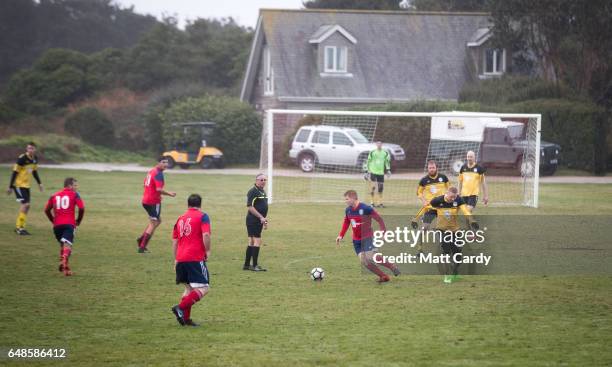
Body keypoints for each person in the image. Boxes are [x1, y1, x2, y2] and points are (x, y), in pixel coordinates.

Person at [412, 187, 478, 284]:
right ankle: (447, 275)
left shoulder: (459, 200)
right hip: (441, 230)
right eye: (451, 197)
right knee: (445, 253)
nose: (453, 199)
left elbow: (465, 211)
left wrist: (472, 221)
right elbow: (426, 207)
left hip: (455, 230)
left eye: (454, 197)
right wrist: (415, 219)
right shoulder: (437, 201)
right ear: (446, 193)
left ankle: (454, 272)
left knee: (458, 255)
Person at [336, 190, 400, 283]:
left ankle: (392, 266)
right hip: (356, 241)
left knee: (371, 257)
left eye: (347, 199)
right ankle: (384, 276)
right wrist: (341, 235)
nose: (345, 201)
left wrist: (383, 232)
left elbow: (379, 219)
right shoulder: (348, 210)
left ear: (353, 198)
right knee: (364, 262)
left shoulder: (366, 208)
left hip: (367, 238)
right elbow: (346, 222)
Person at [171, 194, 211, 327]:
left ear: (188, 204)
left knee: (188, 289)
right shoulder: (202, 216)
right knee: (203, 288)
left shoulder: (180, 218)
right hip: (194, 257)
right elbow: (205, 234)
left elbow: (175, 241)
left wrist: (175, 259)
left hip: (181, 258)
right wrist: (208, 250)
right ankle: (180, 308)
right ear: (200, 204)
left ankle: (186, 319)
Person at [44, 178, 85, 276]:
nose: (76, 187)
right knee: (68, 245)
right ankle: (64, 261)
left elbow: (46, 210)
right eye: (75, 185)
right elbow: (82, 208)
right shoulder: (75, 195)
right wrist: (78, 220)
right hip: (69, 224)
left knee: (63, 245)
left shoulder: (54, 195)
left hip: (57, 226)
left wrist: (52, 220)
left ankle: (65, 269)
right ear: (69, 186)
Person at [138, 157, 176, 253]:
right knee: (154, 223)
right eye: (163, 162)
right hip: (153, 202)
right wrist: (170, 194)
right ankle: (142, 246)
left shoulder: (151, 171)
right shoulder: (158, 174)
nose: (165, 164)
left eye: (167, 163)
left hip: (145, 201)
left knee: (157, 221)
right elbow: (158, 189)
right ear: (158, 163)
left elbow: (145, 185)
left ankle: (141, 239)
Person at [7, 142, 43, 235]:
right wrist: (10, 186)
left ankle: (21, 227)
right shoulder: (22, 158)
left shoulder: (35, 159)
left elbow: (34, 171)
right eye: (28, 148)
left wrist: (39, 183)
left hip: (27, 186)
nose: (30, 150)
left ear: (35, 149)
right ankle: (19, 227)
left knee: (27, 206)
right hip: (18, 185)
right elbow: (15, 172)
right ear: (27, 149)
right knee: (25, 205)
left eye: (32, 148)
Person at [415, 160, 450, 254]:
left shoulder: (443, 178)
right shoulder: (424, 180)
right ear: (428, 168)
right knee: (425, 228)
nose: (431, 169)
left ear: (436, 168)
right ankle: (420, 247)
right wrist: (423, 201)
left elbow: (449, 189)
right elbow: (418, 192)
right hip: (430, 208)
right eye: (430, 168)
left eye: (433, 167)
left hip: (442, 208)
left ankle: (444, 248)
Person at [243, 173, 268, 271]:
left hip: (258, 220)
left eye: (264, 180)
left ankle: (246, 265)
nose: (263, 182)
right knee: (257, 241)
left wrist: (264, 220)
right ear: (256, 180)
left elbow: (262, 207)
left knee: (252, 241)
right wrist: (261, 217)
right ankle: (255, 265)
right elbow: (250, 207)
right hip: (253, 220)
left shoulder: (262, 191)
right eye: (261, 180)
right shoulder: (253, 191)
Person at [365, 141, 391, 208]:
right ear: (376, 145)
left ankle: (380, 203)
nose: (379, 145)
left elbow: (387, 162)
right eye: (378, 144)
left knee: (381, 188)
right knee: (373, 187)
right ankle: (372, 203)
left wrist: (388, 170)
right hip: (373, 172)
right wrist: (366, 171)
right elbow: (368, 161)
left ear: (382, 145)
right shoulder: (372, 152)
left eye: (380, 144)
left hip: (381, 173)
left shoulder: (385, 153)